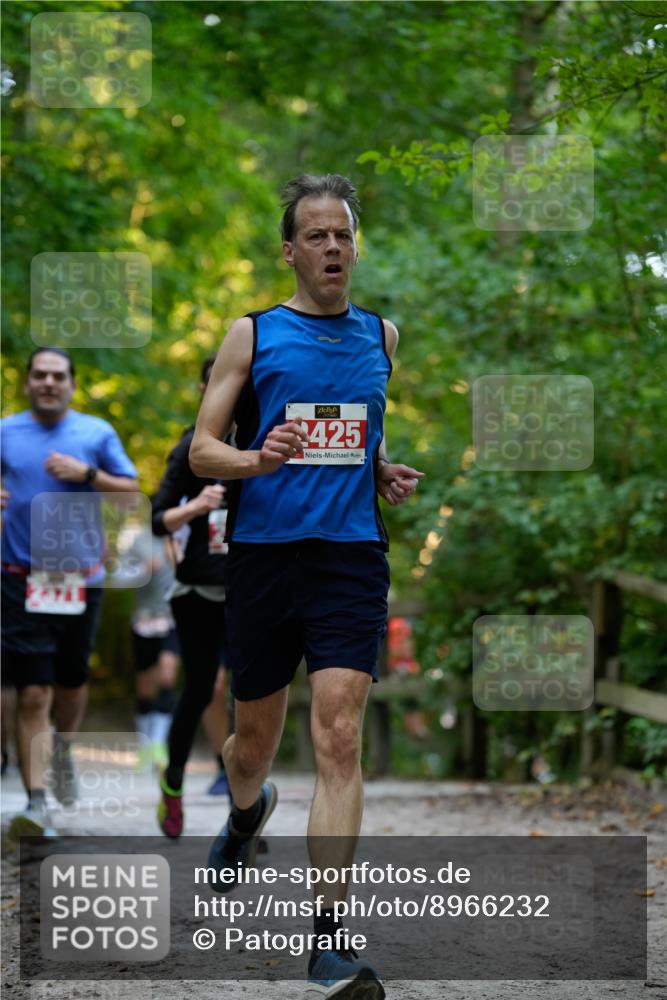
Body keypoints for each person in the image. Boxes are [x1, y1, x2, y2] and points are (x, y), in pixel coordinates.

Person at [189, 174, 424, 998]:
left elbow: (360, 431)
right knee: (250, 747)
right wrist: (259, 459)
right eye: (316, 236)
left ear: (354, 247)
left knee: (338, 739)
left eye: (343, 235)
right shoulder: (251, 335)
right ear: (290, 251)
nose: (332, 248)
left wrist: (381, 469)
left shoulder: (381, 337)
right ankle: (247, 811)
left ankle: (329, 939)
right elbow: (201, 452)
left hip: (350, 557)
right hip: (263, 555)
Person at [1, 347, 138, 838]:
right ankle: (38, 804)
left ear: (72, 385)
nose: (49, 383)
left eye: (58, 376)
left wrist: (87, 475)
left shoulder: (96, 434)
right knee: (33, 689)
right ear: (28, 382)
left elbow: (129, 495)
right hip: (19, 575)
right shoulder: (5, 431)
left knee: (71, 681)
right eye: (40, 375)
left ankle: (64, 748)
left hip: (82, 577)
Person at [152, 356, 231, 837]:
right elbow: (155, 517)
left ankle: (243, 813)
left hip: (251, 590)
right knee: (202, 689)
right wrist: (198, 505)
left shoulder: (263, 442)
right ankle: (174, 783)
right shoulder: (188, 450)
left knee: (254, 696)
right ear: (205, 389)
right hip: (198, 591)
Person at [123, 527, 180, 770]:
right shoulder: (138, 541)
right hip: (144, 620)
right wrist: (144, 570)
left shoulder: (179, 538)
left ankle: (158, 745)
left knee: (167, 677)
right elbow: (119, 576)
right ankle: (145, 746)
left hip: (172, 619)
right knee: (144, 687)